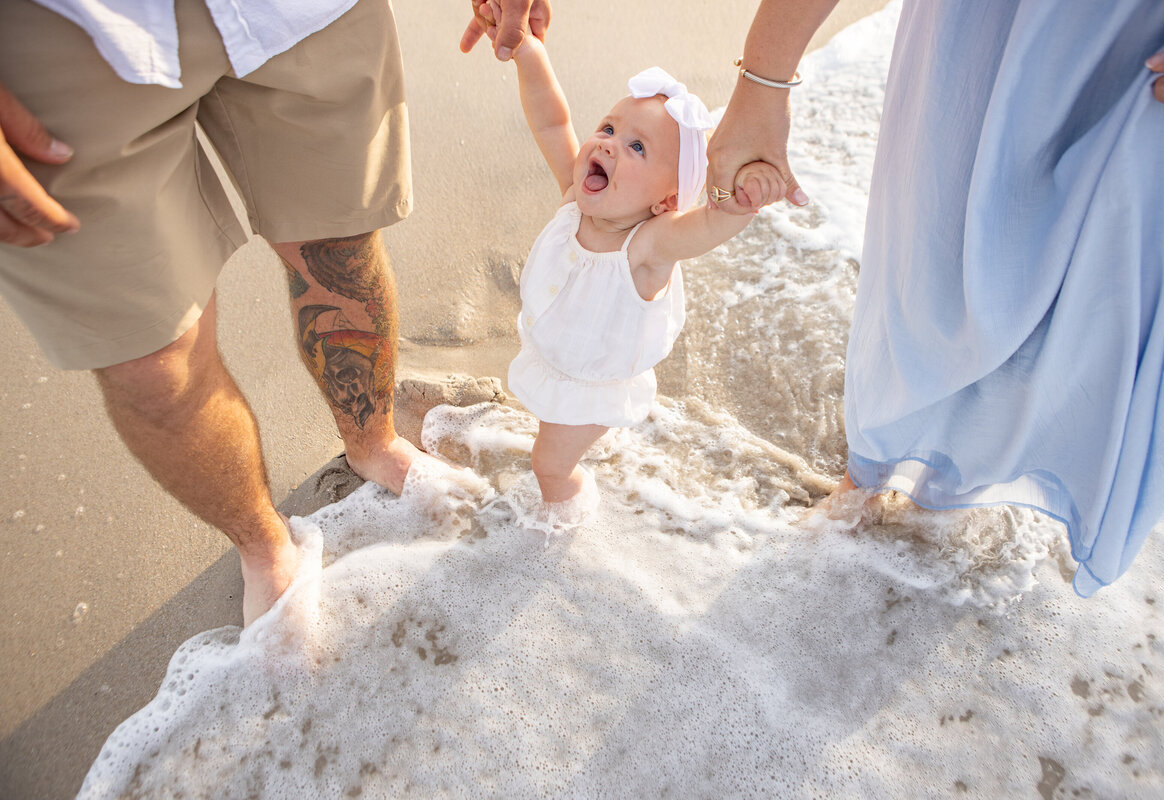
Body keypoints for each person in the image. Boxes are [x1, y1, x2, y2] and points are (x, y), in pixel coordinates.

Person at [0, 0, 548, 624]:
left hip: (303, 13)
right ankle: (263, 544)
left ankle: (374, 442)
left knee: (337, 254)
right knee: (152, 361)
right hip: (52, 43)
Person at [707, 0, 1164, 595]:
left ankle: (944, 486)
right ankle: (885, 477)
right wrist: (763, 82)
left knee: (1102, 304)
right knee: (934, 261)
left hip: (1156, 52)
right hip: (986, 30)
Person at [476, 21, 786, 508]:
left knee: (549, 465)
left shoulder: (647, 248)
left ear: (666, 201)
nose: (607, 144)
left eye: (636, 147)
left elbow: (709, 225)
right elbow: (552, 122)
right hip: (556, 360)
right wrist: (529, 53)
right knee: (550, 432)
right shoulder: (574, 201)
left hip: (592, 387)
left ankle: (565, 518)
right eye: (608, 128)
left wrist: (744, 200)